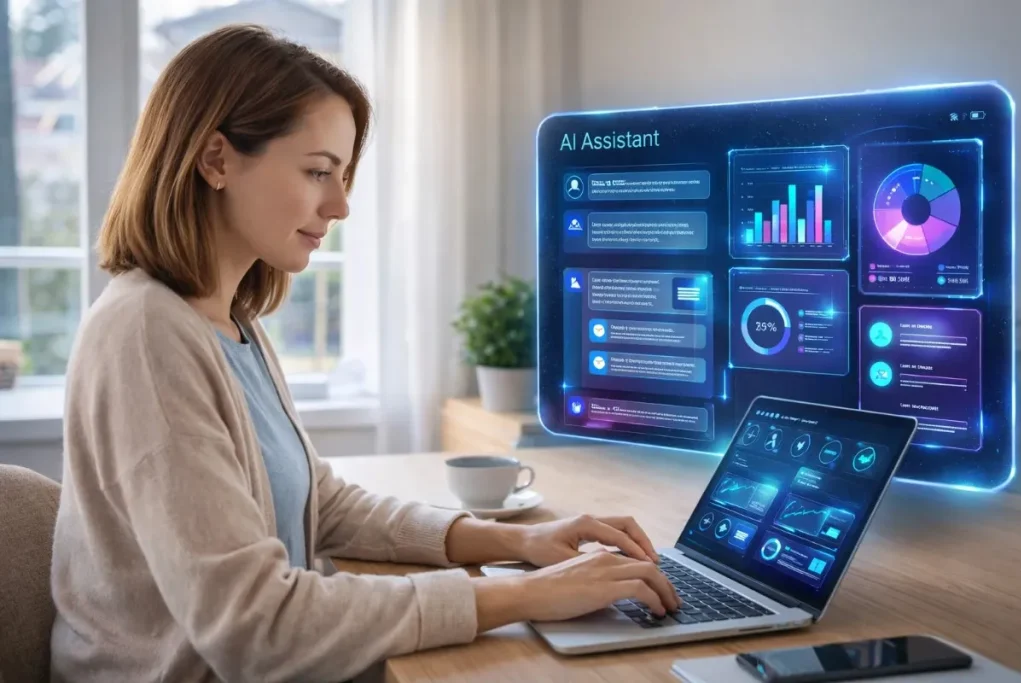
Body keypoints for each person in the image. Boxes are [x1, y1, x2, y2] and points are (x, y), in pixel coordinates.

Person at [49, 24, 678, 683]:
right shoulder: (146, 334)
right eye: (318, 171)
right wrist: (524, 594)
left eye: (343, 176)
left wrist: (516, 541)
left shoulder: (228, 319)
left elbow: (319, 500)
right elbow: (254, 626)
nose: (342, 204)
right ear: (216, 160)